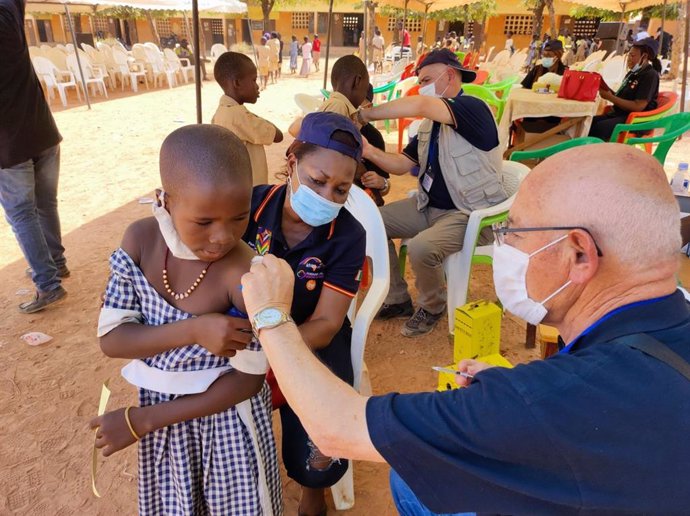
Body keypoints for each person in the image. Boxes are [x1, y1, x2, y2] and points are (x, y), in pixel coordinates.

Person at [240, 143, 690, 515]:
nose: (504, 246)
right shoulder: (660, 335)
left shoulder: (543, 400)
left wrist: (270, 315)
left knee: (415, 478)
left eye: (513, 231)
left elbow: (337, 428)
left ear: (578, 255)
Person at [96, 112, 367, 516]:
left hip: (304, 336)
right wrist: (210, 330)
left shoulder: (341, 237)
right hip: (240, 333)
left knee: (315, 435)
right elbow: (116, 336)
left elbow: (325, 325)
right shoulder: (248, 201)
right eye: (317, 181)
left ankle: (314, 491)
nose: (327, 197)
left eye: (341, 189)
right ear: (291, 163)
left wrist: (273, 340)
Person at [90, 125, 282, 515]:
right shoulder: (140, 241)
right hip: (162, 423)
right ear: (166, 200)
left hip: (228, 427)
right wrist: (195, 329)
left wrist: (143, 421)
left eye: (239, 217)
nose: (222, 237)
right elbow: (112, 339)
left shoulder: (246, 273)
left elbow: (247, 381)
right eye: (204, 221)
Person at [356, 49, 506, 337]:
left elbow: (423, 104)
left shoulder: (473, 108)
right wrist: (368, 150)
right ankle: (397, 298)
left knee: (421, 247)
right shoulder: (430, 125)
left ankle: (433, 306)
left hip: (467, 213)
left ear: (449, 74)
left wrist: (364, 114)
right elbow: (402, 165)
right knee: (370, 223)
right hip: (429, 207)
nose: (421, 85)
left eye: (426, 78)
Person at [1, 0, 68, 313]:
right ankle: (56, 263)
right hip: (42, 130)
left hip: (9, 146)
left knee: (22, 213)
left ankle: (48, 282)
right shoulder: (8, 14)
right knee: (44, 205)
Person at [289, 56, 390, 206]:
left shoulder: (339, 107)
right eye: (365, 88)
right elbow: (335, 154)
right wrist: (360, 172)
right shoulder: (338, 108)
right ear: (358, 81)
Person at [211, 52, 283, 185]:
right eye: (254, 80)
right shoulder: (240, 116)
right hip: (251, 191)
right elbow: (278, 136)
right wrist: (255, 117)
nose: (257, 86)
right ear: (237, 83)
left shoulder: (220, 112)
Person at [589, 37, 660, 141]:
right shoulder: (633, 73)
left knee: (599, 128)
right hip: (620, 114)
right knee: (589, 123)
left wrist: (610, 97)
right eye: (628, 55)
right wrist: (607, 91)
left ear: (644, 56)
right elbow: (621, 97)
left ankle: (599, 154)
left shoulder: (650, 75)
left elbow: (638, 106)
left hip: (636, 120)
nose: (629, 59)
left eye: (632, 56)